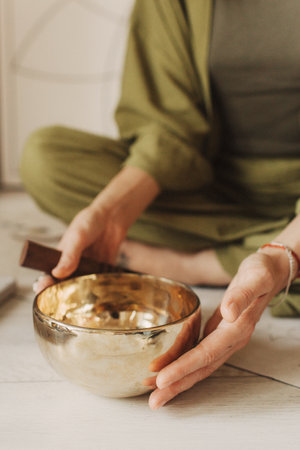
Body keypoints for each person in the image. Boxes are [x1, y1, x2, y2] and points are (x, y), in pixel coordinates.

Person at [20, 0, 300, 410]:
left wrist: (280, 258)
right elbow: (168, 127)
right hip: (209, 190)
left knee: (283, 262)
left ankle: (201, 265)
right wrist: (112, 214)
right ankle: (258, 264)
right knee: (45, 158)